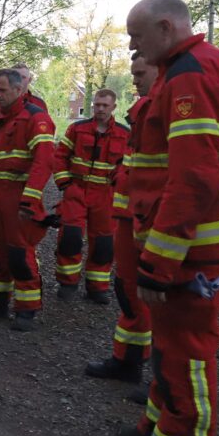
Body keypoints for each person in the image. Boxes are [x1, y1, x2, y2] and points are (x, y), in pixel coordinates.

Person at [114, 0, 219, 436]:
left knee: (186, 353)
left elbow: (193, 178)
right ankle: (159, 432)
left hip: (196, 247)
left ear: (166, 28)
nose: (134, 46)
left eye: (137, 36)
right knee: (170, 346)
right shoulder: (194, 68)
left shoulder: (193, 74)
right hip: (196, 242)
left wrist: (160, 258)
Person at [85, 55, 158, 387]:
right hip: (129, 219)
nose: (135, 79)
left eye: (140, 72)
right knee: (128, 293)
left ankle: (165, 385)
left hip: (151, 223)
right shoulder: (145, 110)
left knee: (155, 302)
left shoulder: (168, 108)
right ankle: (127, 361)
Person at [0, 68, 55, 331]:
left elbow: (44, 161)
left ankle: (27, 309)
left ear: (19, 89)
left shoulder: (35, 118)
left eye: (2, 90)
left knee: (19, 253)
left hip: (17, 196)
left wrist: (30, 198)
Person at [52, 89, 130, 303]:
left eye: (105, 105)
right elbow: (60, 156)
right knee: (70, 237)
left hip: (105, 195)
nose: (100, 109)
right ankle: (67, 283)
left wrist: (120, 184)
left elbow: (128, 165)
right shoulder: (77, 129)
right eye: (97, 104)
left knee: (104, 243)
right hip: (76, 190)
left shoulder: (125, 135)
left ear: (114, 107)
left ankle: (97, 287)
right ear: (92, 105)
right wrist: (65, 184)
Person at [0, 62, 47, 136]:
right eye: (16, 77)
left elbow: (45, 132)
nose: (19, 81)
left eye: (23, 77)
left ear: (30, 80)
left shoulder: (39, 104)